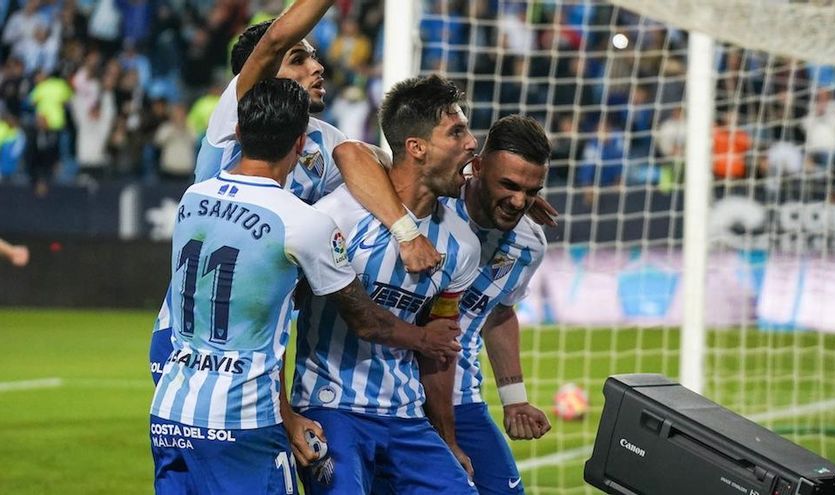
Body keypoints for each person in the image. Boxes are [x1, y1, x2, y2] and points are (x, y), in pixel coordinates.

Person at [150, 77, 461, 494]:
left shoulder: (192, 199)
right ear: (300, 144)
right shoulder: (304, 223)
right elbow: (364, 320)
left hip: (170, 411)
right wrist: (424, 338)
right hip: (243, 420)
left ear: (240, 133)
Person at [150, 0, 442, 385]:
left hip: (257, 342)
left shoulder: (320, 138)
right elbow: (272, 42)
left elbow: (379, 165)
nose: (317, 67)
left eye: (314, 57)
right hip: (191, 337)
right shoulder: (234, 117)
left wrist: (473, 185)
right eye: (298, 59)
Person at [291, 74, 481, 494]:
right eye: (457, 132)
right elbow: (278, 315)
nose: (471, 143)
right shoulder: (336, 216)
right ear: (416, 147)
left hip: (407, 416)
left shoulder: (463, 246)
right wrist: (286, 415)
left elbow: (440, 349)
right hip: (332, 407)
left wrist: (447, 439)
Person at [446, 115, 553, 494]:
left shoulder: (530, 245)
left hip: (462, 399)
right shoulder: (432, 207)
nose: (519, 201)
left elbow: (500, 312)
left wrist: (515, 400)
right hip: (393, 400)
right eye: (509, 185)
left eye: (531, 191)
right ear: (477, 167)